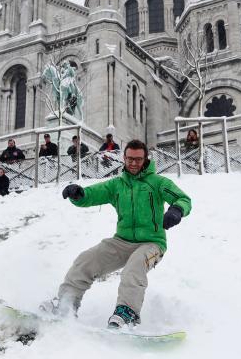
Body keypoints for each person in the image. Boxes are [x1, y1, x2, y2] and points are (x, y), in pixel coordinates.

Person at [50, 140, 192, 328]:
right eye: (130, 159)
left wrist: (177, 210)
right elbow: (93, 194)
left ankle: (127, 313)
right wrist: (79, 194)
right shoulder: (117, 185)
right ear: (124, 158)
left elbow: (183, 198)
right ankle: (65, 305)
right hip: (121, 242)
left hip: (152, 244)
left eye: (138, 159)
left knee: (134, 268)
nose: (134, 163)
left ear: (146, 159)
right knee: (86, 260)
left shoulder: (158, 183)